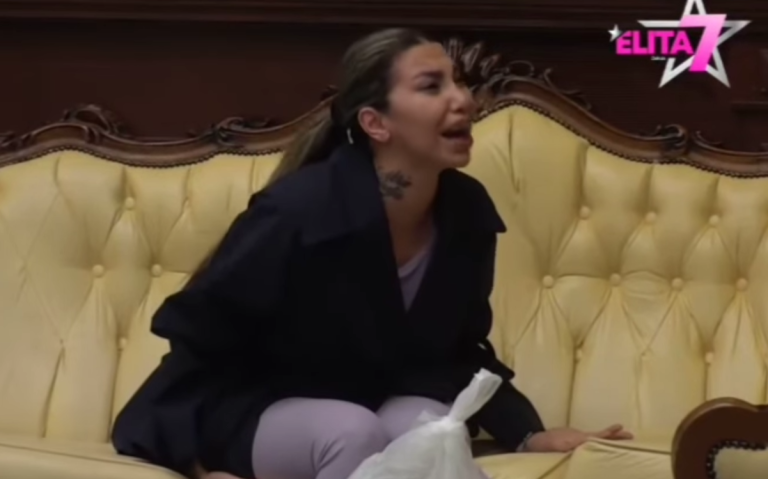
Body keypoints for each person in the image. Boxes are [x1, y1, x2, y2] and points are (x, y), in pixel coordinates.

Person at [111, 28, 632, 479]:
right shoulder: (299, 210)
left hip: (364, 400)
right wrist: (199, 468)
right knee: (351, 430)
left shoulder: (466, 212)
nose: (465, 101)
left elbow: (459, 351)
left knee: (433, 426)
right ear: (375, 123)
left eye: (459, 83)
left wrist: (528, 433)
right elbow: (201, 333)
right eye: (432, 86)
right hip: (244, 408)